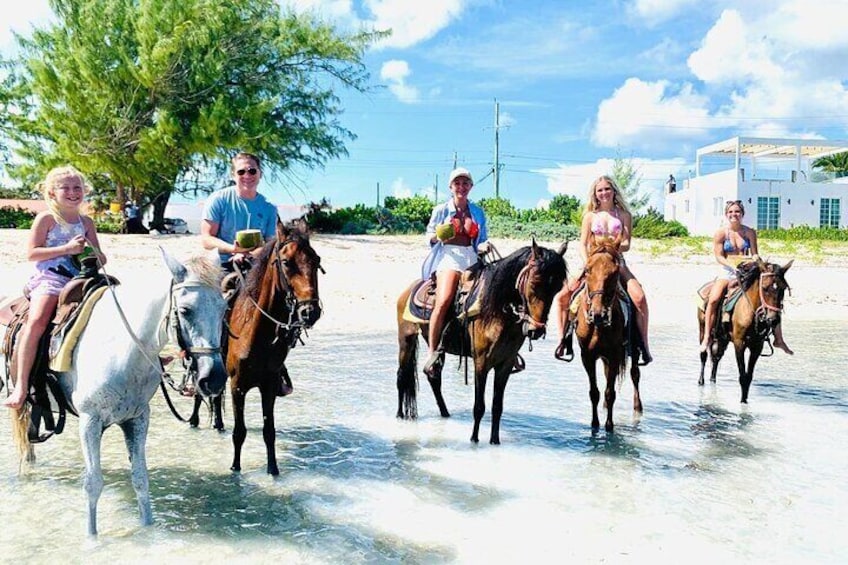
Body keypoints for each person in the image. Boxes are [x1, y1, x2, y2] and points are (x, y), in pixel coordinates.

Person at [3, 165, 107, 410]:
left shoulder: (86, 222)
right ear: (51, 193)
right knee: (38, 320)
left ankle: (148, 357)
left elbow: (100, 254)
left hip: (80, 276)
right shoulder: (47, 219)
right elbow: (32, 253)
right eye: (66, 188)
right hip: (50, 277)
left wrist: (94, 254)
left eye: (77, 188)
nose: (73, 192)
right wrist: (67, 249)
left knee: (116, 300)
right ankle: (21, 384)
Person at [554, 175, 652, 364]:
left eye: (607, 189)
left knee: (639, 297)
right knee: (562, 297)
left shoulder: (624, 215)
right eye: (600, 190)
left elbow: (626, 243)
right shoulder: (590, 216)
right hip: (592, 261)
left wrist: (611, 249)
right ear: (595, 194)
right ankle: (563, 340)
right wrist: (588, 262)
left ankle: (643, 345)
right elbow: (582, 244)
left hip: (616, 261)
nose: (604, 193)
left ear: (614, 191)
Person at [700, 200, 793, 354]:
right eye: (730, 212)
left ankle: (779, 339)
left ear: (742, 214)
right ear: (726, 214)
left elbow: (754, 253)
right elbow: (719, 256)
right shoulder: (721, 233)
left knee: (771, 294)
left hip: (747, 268)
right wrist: (732, 266)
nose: (733, 214)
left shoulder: (749, 232)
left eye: (737, 212)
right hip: (727, 270)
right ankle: (707, 337)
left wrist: (758, 261)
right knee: (714, 299)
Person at [420, 167, 489, 376]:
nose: (462, 187)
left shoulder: (477, 211)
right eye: (457, 183)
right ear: (451, 187)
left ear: (471, 187)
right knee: (444, 300)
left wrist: (484, 245)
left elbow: (482, 238)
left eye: (465, 183)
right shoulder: (441, 210)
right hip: (448, 257)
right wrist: (437, 236)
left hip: (471, 257)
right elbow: (428, 236)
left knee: (492, 297)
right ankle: (432, 352)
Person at [201, 152, 278, 271]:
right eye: (241, 172)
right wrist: (233, 249)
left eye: (252, 171)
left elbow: (270, 243)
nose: (247, 176)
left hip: (257, 266)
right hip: (221, 264)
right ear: (233, 175)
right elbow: (207, 240)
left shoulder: (269, 208)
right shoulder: (218, 200)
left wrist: (250, 254)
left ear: (260, 174)